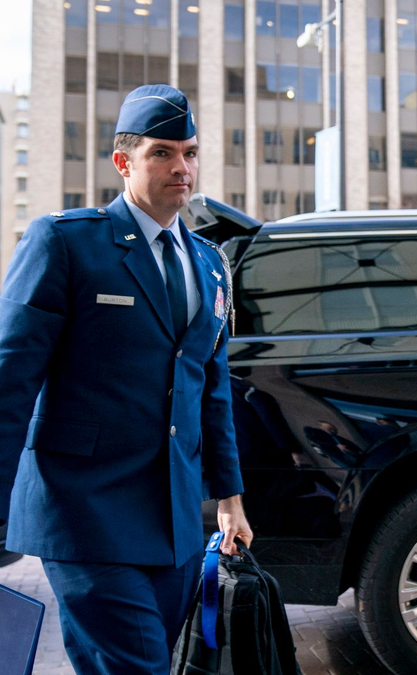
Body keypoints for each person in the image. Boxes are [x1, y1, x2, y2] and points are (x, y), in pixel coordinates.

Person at [0, 84, 252, 675]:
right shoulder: (66, 243)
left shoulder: (210, 262)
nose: (181, 167)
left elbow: (211, 389)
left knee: (148, 660)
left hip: (175, 523)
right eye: (162, 153)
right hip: (85, 513)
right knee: (138, 665)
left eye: (189, 152)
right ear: (123, 161)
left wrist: (229, 497)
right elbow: (9, 382)